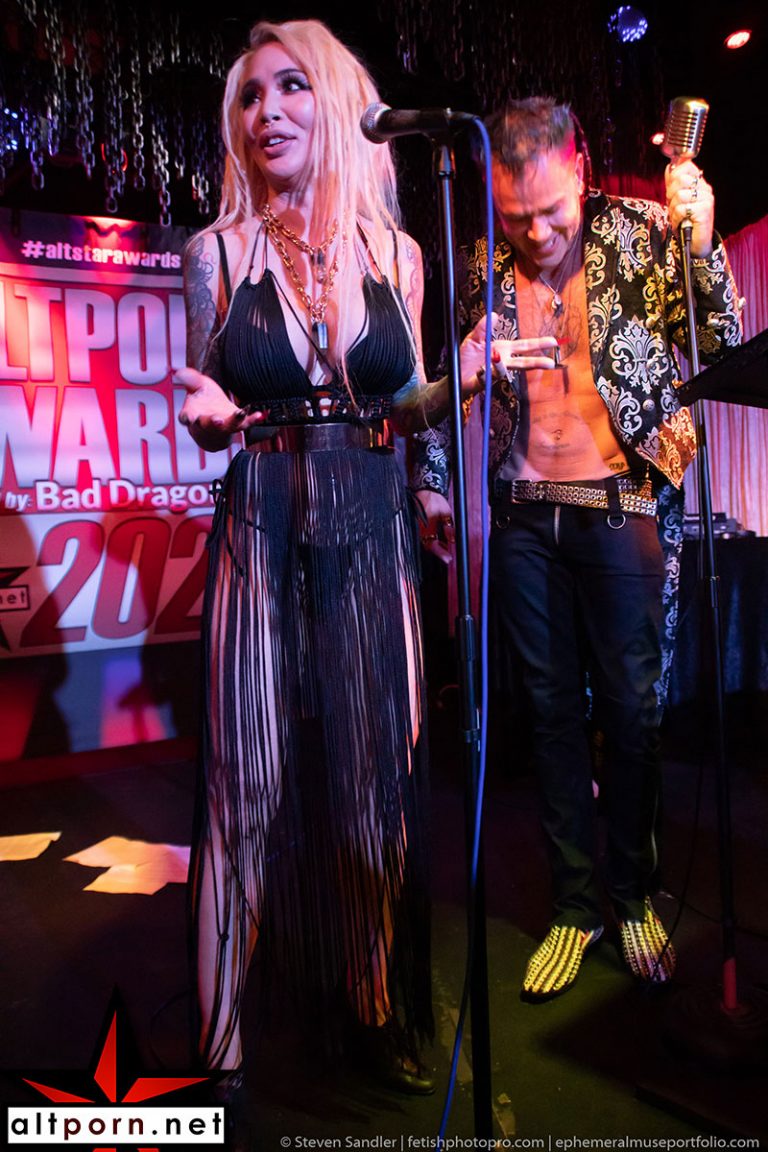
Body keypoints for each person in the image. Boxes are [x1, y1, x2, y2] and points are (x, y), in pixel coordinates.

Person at [411, 97, 742, 1000]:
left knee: (632, 715)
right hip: (525, 513)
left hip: (622, 502)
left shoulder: (643, 231)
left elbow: (719, 342)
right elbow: (460, 368)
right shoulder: (482, 261)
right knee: (550, 714)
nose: (537, 232)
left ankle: (632, 894)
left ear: (582, 176)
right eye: (516, 214)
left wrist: (702, 242)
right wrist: (433, 475)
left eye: (551, 210)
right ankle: (575, 906)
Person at [174, 18, 441, 1098]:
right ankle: (219, 1050)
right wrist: (206, 420)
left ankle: (373, 1004)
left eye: (289, 87)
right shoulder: (215, 253)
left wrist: (457, 385)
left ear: (333, 99)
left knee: (376, 792)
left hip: (370, 521)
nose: (267, 111)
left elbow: (407, 400)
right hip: (262, 517)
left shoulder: (397, 255)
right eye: (248, 96)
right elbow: (209, 401)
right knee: (243, 789)